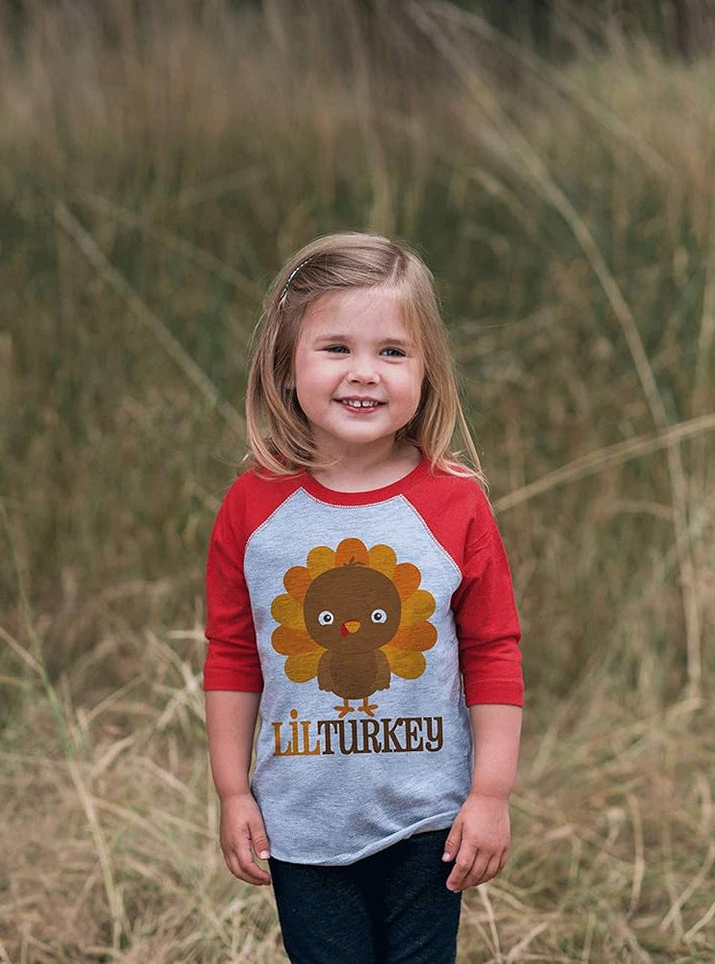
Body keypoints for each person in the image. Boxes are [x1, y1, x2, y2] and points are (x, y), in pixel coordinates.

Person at [203, 232, 524, 964]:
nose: (364, 374)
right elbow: (232, 653)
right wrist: (232, 792)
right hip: (302, 823)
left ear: (426, 371)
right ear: (285, 364)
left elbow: (491, 650)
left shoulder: (455, 504)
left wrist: (490, 794)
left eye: (391, 352)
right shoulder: (252, 507)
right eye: (335, 348)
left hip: (427, 819)